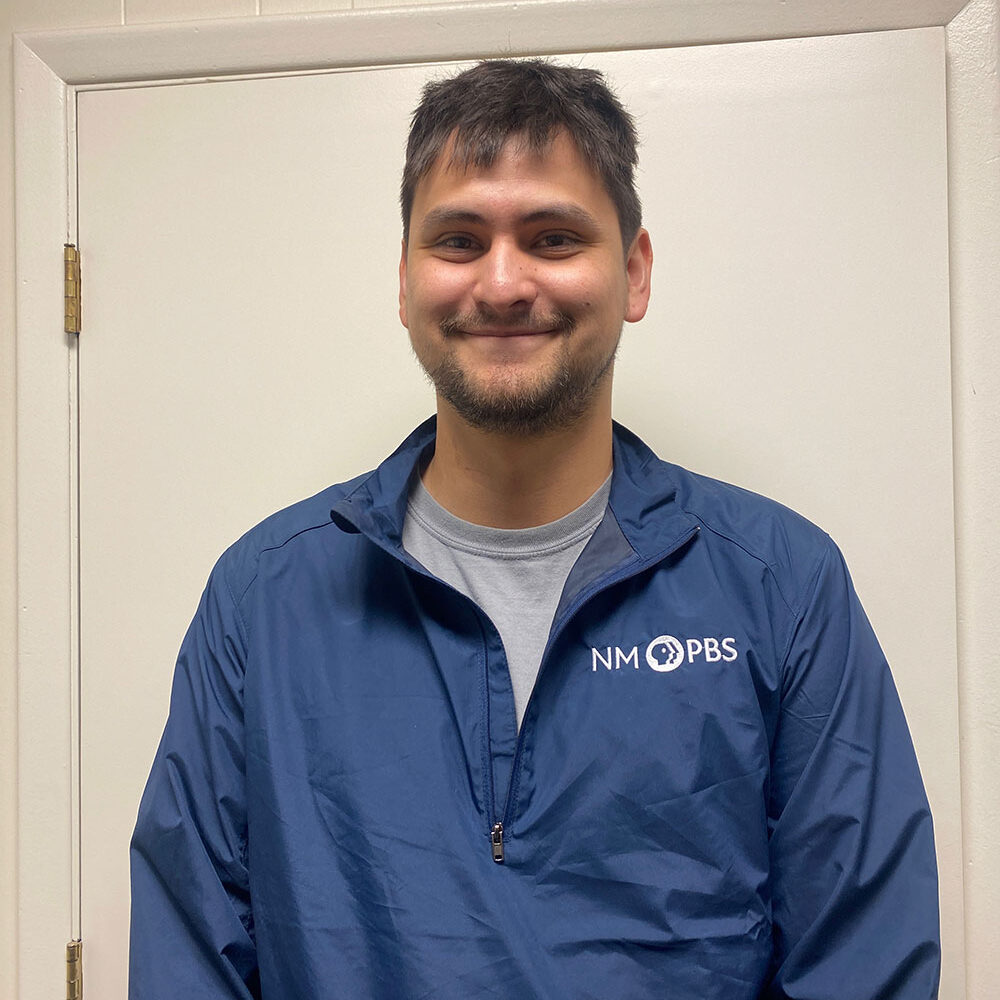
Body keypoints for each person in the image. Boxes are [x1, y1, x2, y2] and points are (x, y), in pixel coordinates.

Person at [129, 60, 940, 999]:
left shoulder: (782, 588)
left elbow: (862, 960)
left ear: (633, 272)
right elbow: (190, 953)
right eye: (459, 239)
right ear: (404, 282)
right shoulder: (264, 600)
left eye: (553, 237)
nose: (505, 283)